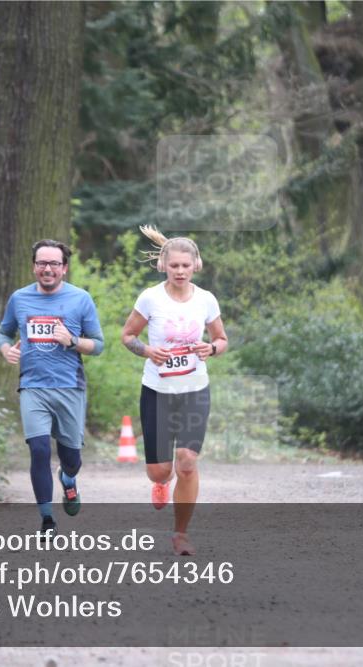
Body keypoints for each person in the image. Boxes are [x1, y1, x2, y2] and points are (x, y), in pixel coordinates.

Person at [121, 225, 228, 556]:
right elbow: (127, 336)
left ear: (196, 264)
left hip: (195, 390)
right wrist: (147, 351)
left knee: (187, 462)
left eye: (185, 265)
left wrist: (212, 349)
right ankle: (159, 483)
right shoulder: (150, 298)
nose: (179, 271)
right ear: (163, 266)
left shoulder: (206, 300)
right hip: (157, 391)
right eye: (174, 265)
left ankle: (181, 533)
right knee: (161, 469)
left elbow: (222, 339)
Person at [0, 239, 104, 537]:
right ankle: (47, 521)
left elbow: (98, 345)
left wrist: (71, 340)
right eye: (42, 263)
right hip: (33, 386)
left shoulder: (80, 299)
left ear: (64, 269)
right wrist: (6, 349)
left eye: (54, 264)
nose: (47, 269)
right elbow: (3, 333)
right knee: (39, 449)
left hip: (70, 386)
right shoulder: (19, 299)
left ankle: (68, 480)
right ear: (34, 266)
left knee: (71, 458)